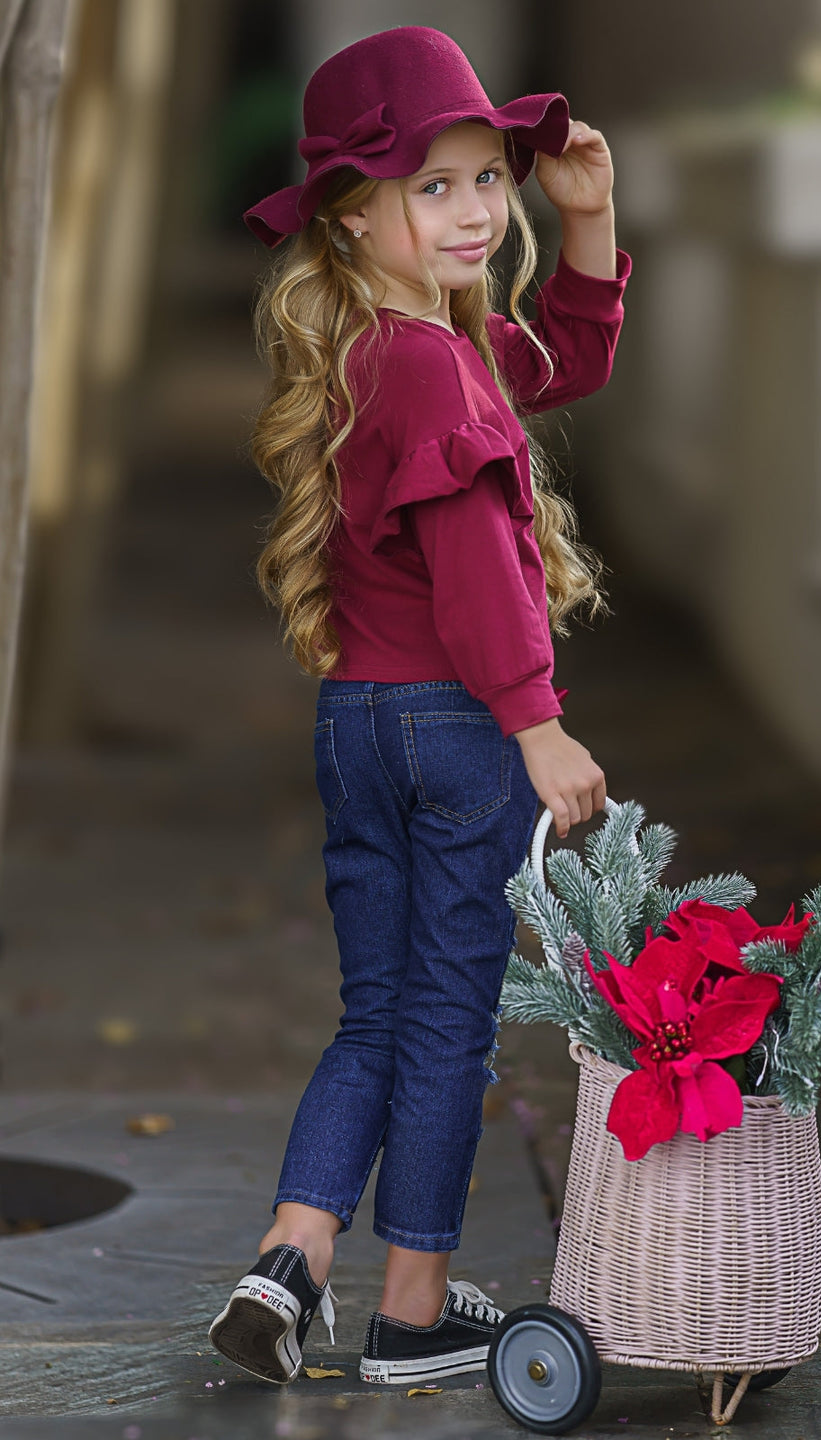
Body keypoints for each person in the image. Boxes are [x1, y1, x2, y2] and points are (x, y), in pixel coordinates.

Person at [208, 25, 629, 1389]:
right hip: (458, 729)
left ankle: (288, 1260)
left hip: (359, 723)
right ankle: (412, 1311)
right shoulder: (440, 366)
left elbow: (562, 365)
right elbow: (473, 571)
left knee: (376, 1014)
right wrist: (535, 722)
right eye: (431, 186)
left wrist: (588, 222)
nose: (474, 210)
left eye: (485, 179)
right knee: (448, 1024)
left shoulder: (385, 348)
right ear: (350, 212)